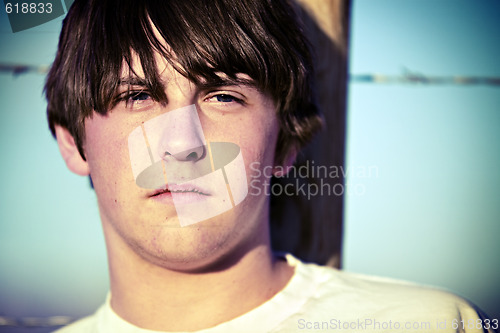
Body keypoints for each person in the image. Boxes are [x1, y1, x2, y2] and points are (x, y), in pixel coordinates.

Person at [45, 0, 496, 332]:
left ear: (284, 145)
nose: (182, 144)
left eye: (224, 96)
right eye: (137, 96)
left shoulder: (427, 325)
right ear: (73, 142)